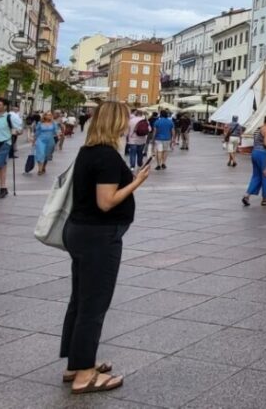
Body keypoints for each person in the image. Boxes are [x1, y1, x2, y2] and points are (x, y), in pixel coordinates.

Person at [61, 101, 148, 395]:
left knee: (80, 300)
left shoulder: (87, 151)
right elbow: (106, 201)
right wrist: (137, 182)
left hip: (80, 231)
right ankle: (85, 375)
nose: (129, 123)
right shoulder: (108, 157)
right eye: (125, 119)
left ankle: (76, 362)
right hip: (99, 236)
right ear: (115, 122)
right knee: (93, 305)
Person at [243, 114, 266, 207]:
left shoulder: (258, 129)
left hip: (255, 153)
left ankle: (247, 195)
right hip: (263, 154)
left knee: (256, 176)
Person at [34, 112, 59, 176]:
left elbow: (56, 131)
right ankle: (40, 169)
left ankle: (44, 166)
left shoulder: (53, 123)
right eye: (48, 115)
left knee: (47, 155)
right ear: (44, 116)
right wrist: (34, 140)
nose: (49, 116)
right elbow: (37, 132)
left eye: (50, 115)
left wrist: (58, 135)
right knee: (41, 154)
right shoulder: (40, 123)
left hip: (50, 140)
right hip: (41, 140)